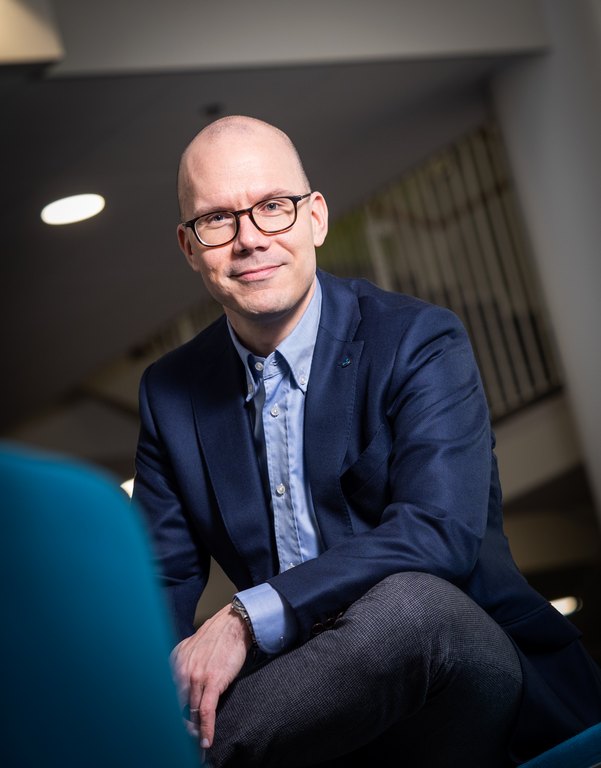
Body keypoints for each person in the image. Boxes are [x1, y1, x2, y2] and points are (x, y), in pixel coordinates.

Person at [132, 115, 601, 767]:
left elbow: (437, 533)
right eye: (218, 219)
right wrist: (150, 691)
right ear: (189, 247)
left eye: (273, 206)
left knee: (411, 606)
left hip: (468, 676)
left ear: (315, 218)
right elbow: (157, 580)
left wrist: (244, 617)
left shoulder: (418, 339)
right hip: (313, 700)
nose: (250, 238)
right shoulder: (170, 391)